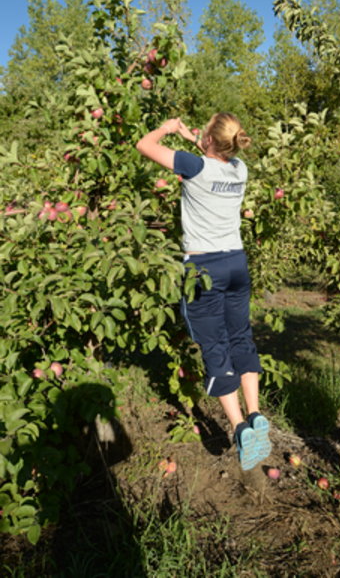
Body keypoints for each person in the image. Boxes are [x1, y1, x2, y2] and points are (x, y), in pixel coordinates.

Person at [136, 113, 271, 470]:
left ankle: (239, 428)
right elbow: (216, 153)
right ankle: (256, 413)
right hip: (236, 263)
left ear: (209, 139)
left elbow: (144, 145)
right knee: (241, 336)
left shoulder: (193, 166)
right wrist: (190, 135)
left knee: (215, 346)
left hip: (204, 268)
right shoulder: (239, 169)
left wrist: (166, 129)